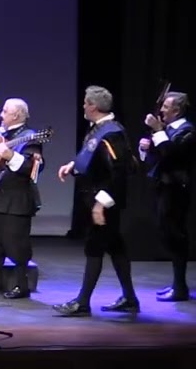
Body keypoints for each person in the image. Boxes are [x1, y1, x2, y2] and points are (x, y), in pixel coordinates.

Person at [54, 85, 139, 316]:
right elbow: (93, 157)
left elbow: (119, 173)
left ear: (93, 106)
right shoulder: (98, 128)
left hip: (105, 202)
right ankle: (130, 298)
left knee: (94, 247)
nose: (83, 106)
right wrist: (72, 166)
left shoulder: (112, 133)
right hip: (95, 197)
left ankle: (82, 302)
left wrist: (101, 204)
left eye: (85, 102)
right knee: (115, 245)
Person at [0, 98, 43, 299]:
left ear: (16, 115)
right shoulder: (0, 136)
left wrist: (11, 156)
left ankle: (22, 285)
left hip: (15, 200)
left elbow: (32, 169)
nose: (1, 115)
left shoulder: (31, 137)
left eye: (5, 111)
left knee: (17, 245)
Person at [139, 91, 196, 301]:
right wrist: (146, 148)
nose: (161, 110)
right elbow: (156, 157)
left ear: (176, 110)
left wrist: (157, 130)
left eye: (165, 107)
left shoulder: (187, 130)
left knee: (176, 235)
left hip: (176, 190)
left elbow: (171, 154)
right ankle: (176, 284)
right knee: (167, 234)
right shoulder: (168, 130)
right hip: (163, 188)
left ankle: (180, 287)